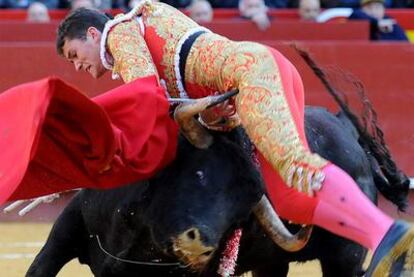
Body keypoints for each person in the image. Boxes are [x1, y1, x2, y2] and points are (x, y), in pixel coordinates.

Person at [40, 1, 414, 275]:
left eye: (76, 54)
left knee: (296, 165)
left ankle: (386, 233)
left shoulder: (120, 33)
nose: (80, 67)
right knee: (290, 199)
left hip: (251, 77)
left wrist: (79, 137)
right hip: (246, 88)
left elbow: (144, 98)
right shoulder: (139, 27)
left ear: (93, 33)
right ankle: (380, 239)